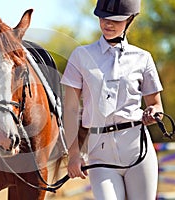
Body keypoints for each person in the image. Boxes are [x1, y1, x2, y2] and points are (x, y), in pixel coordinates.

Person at [60, 0, 163, 199]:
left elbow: (156, 104)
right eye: (103, 17)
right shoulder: (81, 56)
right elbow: (71, 109)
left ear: (129, 19)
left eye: (115, 20)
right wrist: (73, 154)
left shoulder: (143, 58)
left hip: (137, 149)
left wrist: (153, 113)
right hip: (100, 152)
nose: (108, 24)